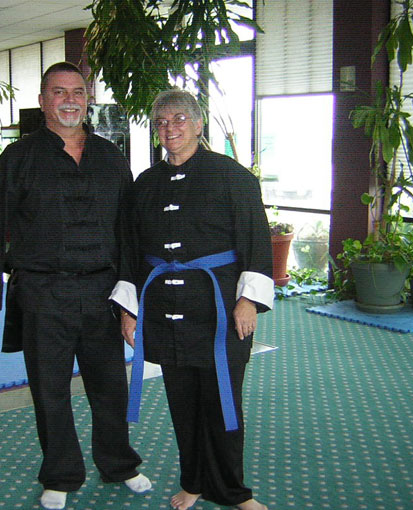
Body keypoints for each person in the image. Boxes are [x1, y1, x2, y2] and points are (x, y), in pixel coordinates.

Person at [0, 61, 150, 510]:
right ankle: (61, 474)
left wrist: (130, 302)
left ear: (88, 100)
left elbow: (128, 234)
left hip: (102, 293)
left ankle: (119, 464)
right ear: (43, 100)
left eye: (78, 92)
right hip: (42, 293)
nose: (70, 100)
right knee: (49, 391)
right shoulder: (18, 158)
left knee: (110, 386)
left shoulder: (110, 157)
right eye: (59, 92)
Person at [110, 89, 273, 510]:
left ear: (199, 124)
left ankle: (234, 492)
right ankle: (194, 482)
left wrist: (248, 301)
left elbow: (256, 241)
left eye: (179, 119)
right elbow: (129, 251)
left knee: (223, 404)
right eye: (162, 122)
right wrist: (129, 310)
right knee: (183, 405)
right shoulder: (145, 184)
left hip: (219, 311)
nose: (170, 129)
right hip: (165, 312)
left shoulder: (233, 177)